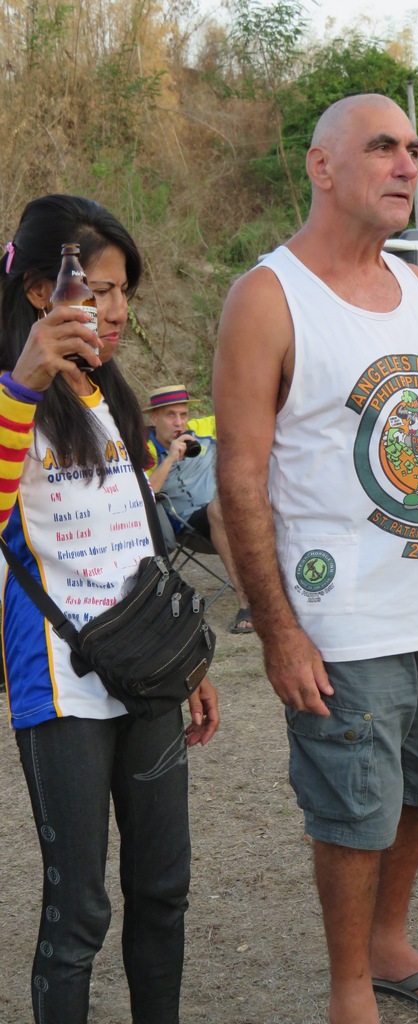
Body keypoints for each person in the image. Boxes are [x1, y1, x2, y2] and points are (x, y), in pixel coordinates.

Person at [213, 94, 418, 1024]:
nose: (406, 165)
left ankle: (389, 943)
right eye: (382, 147)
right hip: (340, 619)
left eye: (413, 148)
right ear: (322, 166)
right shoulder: (268, 297)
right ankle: (350, 987)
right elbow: (238, 480)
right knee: (352, 811)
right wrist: (279, 633)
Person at [0, 194, 220, 1024]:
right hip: (62, 686)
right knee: (80, 912)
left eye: (125, 290)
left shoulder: (108, 394)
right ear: (41, 292)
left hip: (146, 670)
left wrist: (186, 661)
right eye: (98, 290)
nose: (118, 310)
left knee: (163, 889)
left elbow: (141, 537)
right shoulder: (12, 396)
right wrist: (25, 382)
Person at [144, 385, 254, 634]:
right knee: (219, 509)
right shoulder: (145, 449)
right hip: (188, 524)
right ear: (154, 418)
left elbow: (247, 414)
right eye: (170, 415)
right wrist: (170, 458)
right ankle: (246, 602)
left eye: (183, 415)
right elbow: (144, 495)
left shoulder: (203, 429)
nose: (179, 422)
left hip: (234, 513)